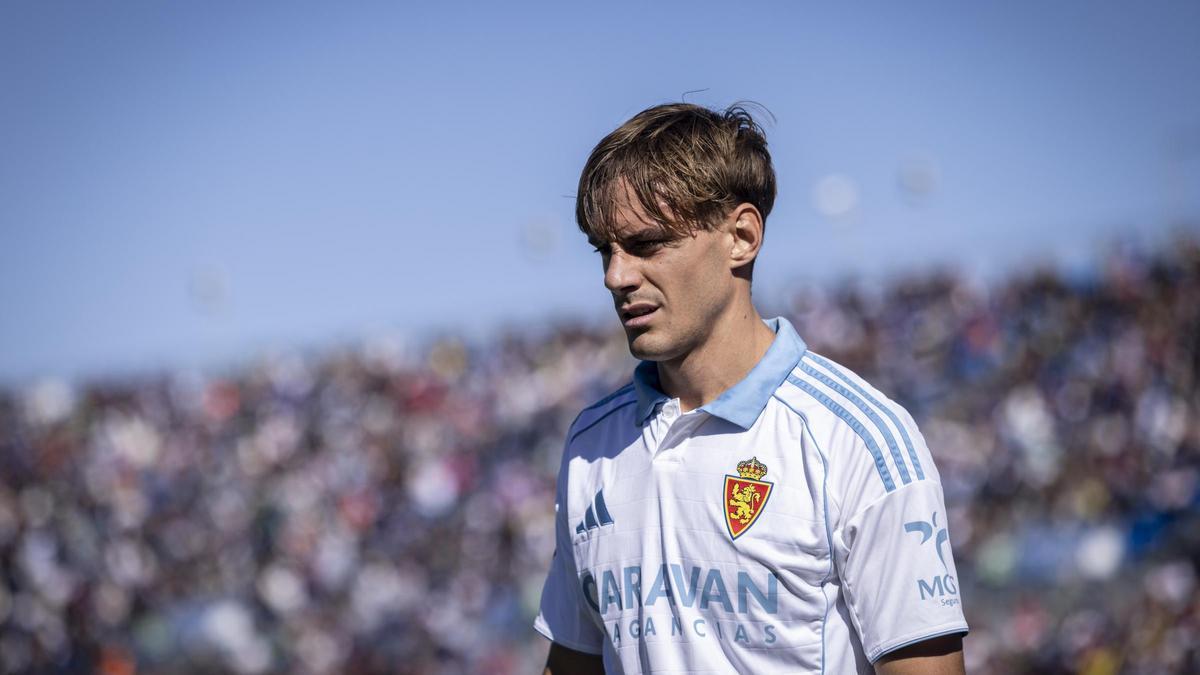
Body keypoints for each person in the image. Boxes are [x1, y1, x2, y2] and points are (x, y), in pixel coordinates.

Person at [534, 102, 968, 674]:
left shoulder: (856, 438)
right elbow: (572, 662)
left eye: (646, 244)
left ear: (741, 236)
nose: (617, 276)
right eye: (604, 250)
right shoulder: (591, 444)